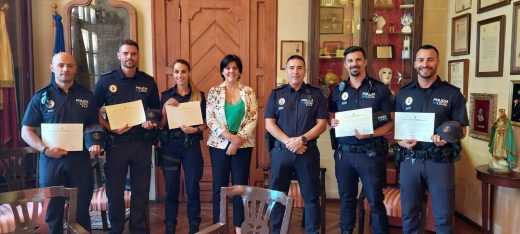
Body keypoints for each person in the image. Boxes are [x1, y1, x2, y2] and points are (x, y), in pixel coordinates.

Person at [21, 52, 101, 233]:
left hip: (80, 159)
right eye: (61, 65)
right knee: (52, 213)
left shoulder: (87, 97)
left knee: (81, 211)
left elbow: (93, 125)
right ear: (52, 68)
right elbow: (26, 131)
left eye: (70, 65)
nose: (65, 69)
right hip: (51, 160)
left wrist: (94, 141)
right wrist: (44, 148)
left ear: (75, 68)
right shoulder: (40, 97)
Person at [395, 44, 468, 233]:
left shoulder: (452, 94)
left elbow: (462, 129)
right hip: (410, 160)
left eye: (430, 59)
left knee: (443, 217)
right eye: (421, 60)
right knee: (410, 214)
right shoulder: (403, 93)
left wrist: (445, 136)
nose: (425, 64)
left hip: (440, 161)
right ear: (415, 64)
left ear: (437, 62)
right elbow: (397, 127)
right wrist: (400, 141)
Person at [93, 39, 160, 233]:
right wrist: (109, 128)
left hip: (141, 144)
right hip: (116, 145)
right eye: (125, 53)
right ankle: (116, 229)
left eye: (133, 53)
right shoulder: (106, 81)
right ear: (119, 56)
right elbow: (93, 111)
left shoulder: (148, 81)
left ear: (138, 56)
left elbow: (155, 109)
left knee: (140, 191)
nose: (129, 57)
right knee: (115, 191)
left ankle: (138, 229)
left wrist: (151, 121)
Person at [328, 46, 393, 234]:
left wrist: (371, 134)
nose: (354, 64)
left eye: (358, 60)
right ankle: (346, 231)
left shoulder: (380, 90)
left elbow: (390, 124)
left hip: (370, 153)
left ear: (365, 62)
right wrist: (333, 123)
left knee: (375, 200)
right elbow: (332, 115)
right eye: (350, 60)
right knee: (346, 198)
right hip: (344, 154)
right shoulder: (338, 90)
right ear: (345, 64)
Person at [265, 55, 328, 234]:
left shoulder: (316, 94)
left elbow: (322, 124)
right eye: (291, 67)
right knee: (277, 197)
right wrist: (289, 142)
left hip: (307, 152)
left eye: (299, 67)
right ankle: (276, 232)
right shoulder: (276, 94)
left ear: (305, 70)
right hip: (281, 153)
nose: (295, 71)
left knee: (311, 197)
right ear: (286, 71)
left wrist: (302, 140)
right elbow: (269, 123)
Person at [206, 54, 258, 234]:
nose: (231, 71)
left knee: (240, 187)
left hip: (243, 146)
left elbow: (253, 118)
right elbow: (210, 119)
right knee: (219, 187)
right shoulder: (214, 92)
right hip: (219, 145)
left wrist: (238, 140)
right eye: (227, 68)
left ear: (240, 71)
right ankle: (218, 227)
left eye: (235, 68)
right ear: (222, 70)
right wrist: (230, 138)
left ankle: (239, 228)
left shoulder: (248, 92)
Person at [159, 59, 207, 234]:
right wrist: (164, 109)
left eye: (183, 71)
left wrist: (194, 130)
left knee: (192, 188)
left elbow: (206, 123)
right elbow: (161, 124)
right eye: (177, 72)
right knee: (171, 190)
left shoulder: (199, 95)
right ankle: (170, 227)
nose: (180, 75)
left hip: (191, 147)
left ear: (188, 73)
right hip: (170, 147)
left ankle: (194, 226)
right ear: (173, 74)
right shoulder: (165, 95)